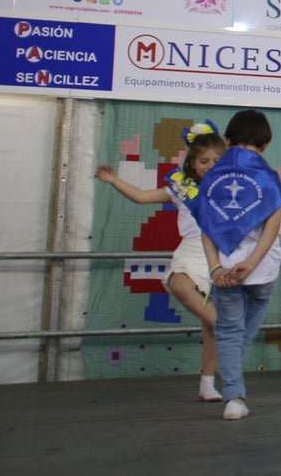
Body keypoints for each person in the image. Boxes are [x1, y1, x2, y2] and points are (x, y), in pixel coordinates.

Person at [96, 121, 227, 401]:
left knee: (209, 328)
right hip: (192, 251)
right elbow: (142, 197)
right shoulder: (179, 188)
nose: (210, 165)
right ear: (192, 162)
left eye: (216, 160)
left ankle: (207, 384)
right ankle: (227, 325)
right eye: (204, 161)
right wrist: (115, 180)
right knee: (180, 284)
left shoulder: (232, 188)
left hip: (222, 253)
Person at [196, 109, 281, 421]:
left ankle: (234, 398)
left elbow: (206, 226)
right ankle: (234, 387)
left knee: (229, 333)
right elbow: (272, 227)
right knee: (239, 333)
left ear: (227, 139)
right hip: (261, 269)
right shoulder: (268, 177)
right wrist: (251, 264)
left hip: (224, 269)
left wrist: (214, 269)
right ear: (265, 143)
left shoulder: (212, 177)